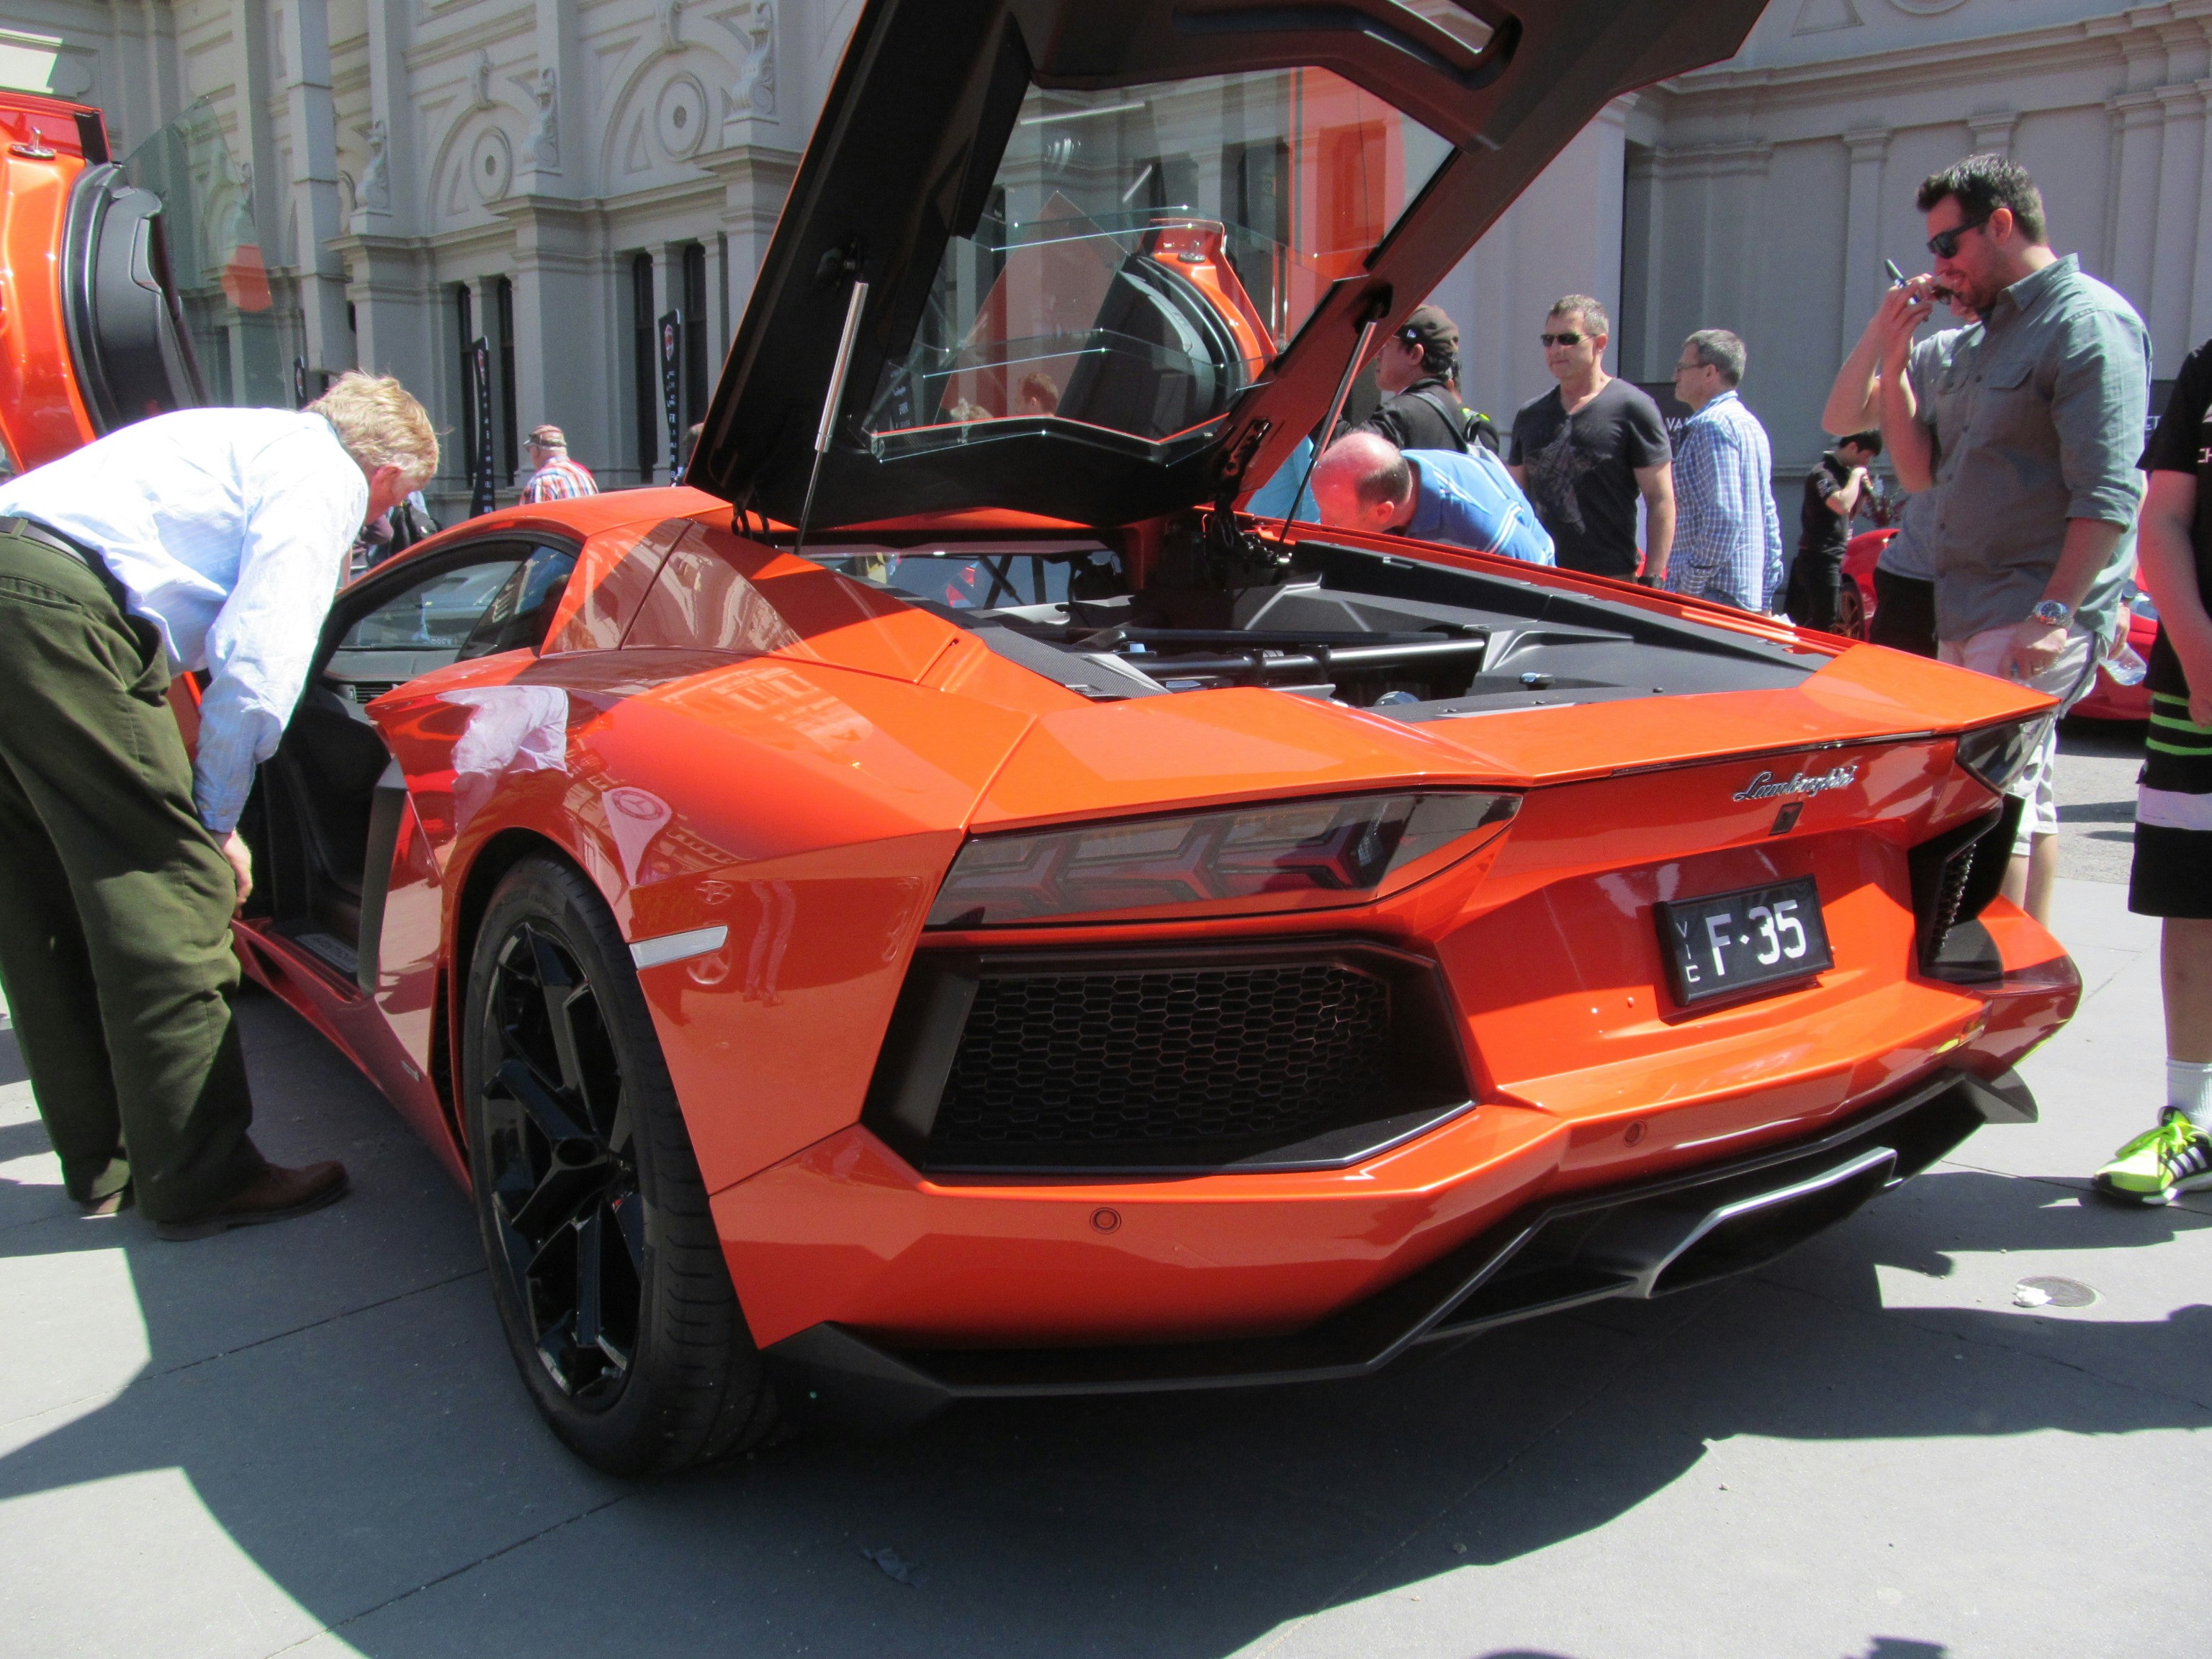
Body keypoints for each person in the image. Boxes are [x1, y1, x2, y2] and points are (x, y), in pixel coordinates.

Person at [0, 373, 437, 1237]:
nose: (379, 525)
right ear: (385, 473)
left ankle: (104, 1166)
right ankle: (202, 1177)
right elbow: (259, 666)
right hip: (58, 613)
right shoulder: (323, 476)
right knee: (172, 896)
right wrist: (214, 826)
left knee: (40, 898)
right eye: (391, 506)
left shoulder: (238, 438)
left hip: (22, 584)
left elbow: (161, 646)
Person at [1874, 153, 2149, 927]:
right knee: (2016, 798)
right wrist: (1894, 357)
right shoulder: (1988, 334)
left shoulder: (2087, 321)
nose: (1939, 267)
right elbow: (1919, 474)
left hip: (2028, 605)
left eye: (1948, 245)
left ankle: (1985, 970)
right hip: (1968, 604)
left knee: (1989, 807)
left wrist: (2054, 614)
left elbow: (2108, 491)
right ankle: (2008, 967)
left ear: (2001, 224)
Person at [2096, 346, 2212, 1202]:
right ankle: (2191, 1121)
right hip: (2195, 685)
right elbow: (2163, 517)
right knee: (2195, 899)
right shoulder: (2208, 367)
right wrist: (2199, 649)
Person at [1822, 291, 1984, 657]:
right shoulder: (1942, 352)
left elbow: (2099, 480)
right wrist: (1881, 327)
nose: (1954, 301)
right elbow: (1841, 419)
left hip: (2000, 589)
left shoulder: (2053, 341)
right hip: (1915, 577)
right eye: (1948, 291)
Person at [1509, 295, 1674, 584]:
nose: (1555, 349)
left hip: (1609, 580)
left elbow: (1660, 499)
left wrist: (1653, 578)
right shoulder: (1530, 414)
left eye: (1568, 339)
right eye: (1548, 340)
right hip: (1539, 577)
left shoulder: (1632, 407)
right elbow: (1513, 499)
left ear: (1600, 343)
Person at [1663, 329, 1784, 612]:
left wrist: (1688, 588)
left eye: (1682, 367)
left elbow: (1724, 517)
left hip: (1710, 598)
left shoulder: (1711, 426)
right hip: (1739, 598)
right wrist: (1766, 596)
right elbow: (1768, 517)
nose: (1675, 376)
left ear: (1709, 372)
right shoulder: (1750, 425)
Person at [1308, 431, 1553, 564]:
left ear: (1383, 512)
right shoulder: (1386, 476)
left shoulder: (1484, 527)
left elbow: (1544, 585)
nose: (1323, 524)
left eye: (1335, 519)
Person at [1353, 305, 1491, 454]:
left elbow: (1350, 452)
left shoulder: (1399, 414)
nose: (1377, 355)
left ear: (1414, 354)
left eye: (1386, 345)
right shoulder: (1453, 409)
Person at [1787, 429, 1881, 632]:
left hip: (1834, 556)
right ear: (1853, 447)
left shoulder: (1843, 474)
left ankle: (1804, 645)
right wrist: (1856, 476)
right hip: (1818, 556)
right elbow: (1840, 504)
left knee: (1829, 616)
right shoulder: (1823, 473)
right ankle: (1804, 649)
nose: (1865, 463)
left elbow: (1848, 515)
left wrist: (1863, 493)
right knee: (1825, 618)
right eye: (1866, 456)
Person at [519, 423, 597, 503]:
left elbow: (534, 511)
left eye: (529, 450)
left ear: (535, 451)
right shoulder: (585, 477)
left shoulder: (542, 482)